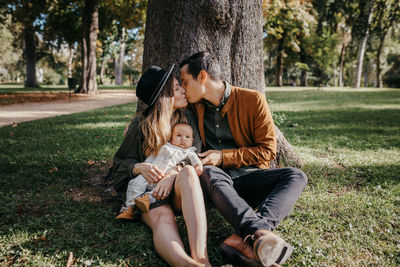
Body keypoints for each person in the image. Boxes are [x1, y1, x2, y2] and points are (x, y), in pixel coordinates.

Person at [179, 52, 308, 267]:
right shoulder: (194, 107)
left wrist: (223, 156)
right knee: (208, 171)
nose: (183, 88)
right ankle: (257, 236)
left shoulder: (253, 99)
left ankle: (247, 237)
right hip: (216, 185)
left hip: (251, 178)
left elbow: (267, 151)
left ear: (202, 77)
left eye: (185, 82)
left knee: (296, 175)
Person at [108, 64, 210, 267]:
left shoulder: (188, 120)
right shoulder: (141, 126)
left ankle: (202, 259)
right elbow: (119, 165)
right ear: (164, 97)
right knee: (163, 217)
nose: (183, 90)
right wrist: (139, 168)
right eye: (176, 88)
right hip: (150, 196)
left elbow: (195, 157)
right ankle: (188, 264)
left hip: (181, 193)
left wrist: (172, 175)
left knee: (188, 171)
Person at [118, 123, 203, 215]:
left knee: (159, 192)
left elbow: (195, 159)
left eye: (187, 137)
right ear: (171, 137)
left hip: (164, 178)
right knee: (135, 183)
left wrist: (198, 165)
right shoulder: (165, 146)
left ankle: (146, 201)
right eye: (178, 135)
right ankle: (129, 207)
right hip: (151, 173)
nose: (183, 139)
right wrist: (146, 164)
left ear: (192, 140)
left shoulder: (189, 151)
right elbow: (153, 156)